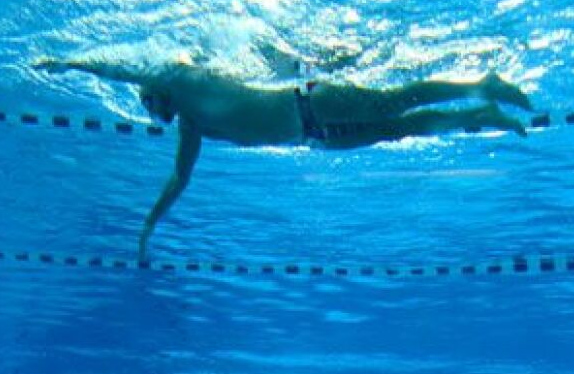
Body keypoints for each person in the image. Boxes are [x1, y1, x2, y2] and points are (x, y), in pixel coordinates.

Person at [33, 55, 532, 259]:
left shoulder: (182, 80)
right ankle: (484, 113)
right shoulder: (192, 126)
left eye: (147, 100)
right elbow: (178, 180)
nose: (150, 110)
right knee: (399, 130)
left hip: (310, 101)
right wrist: (148, 226)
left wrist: (70, 64)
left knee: (394, 101)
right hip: (313, 137)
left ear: (153, 89)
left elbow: (121, 70)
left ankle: (478, 84)